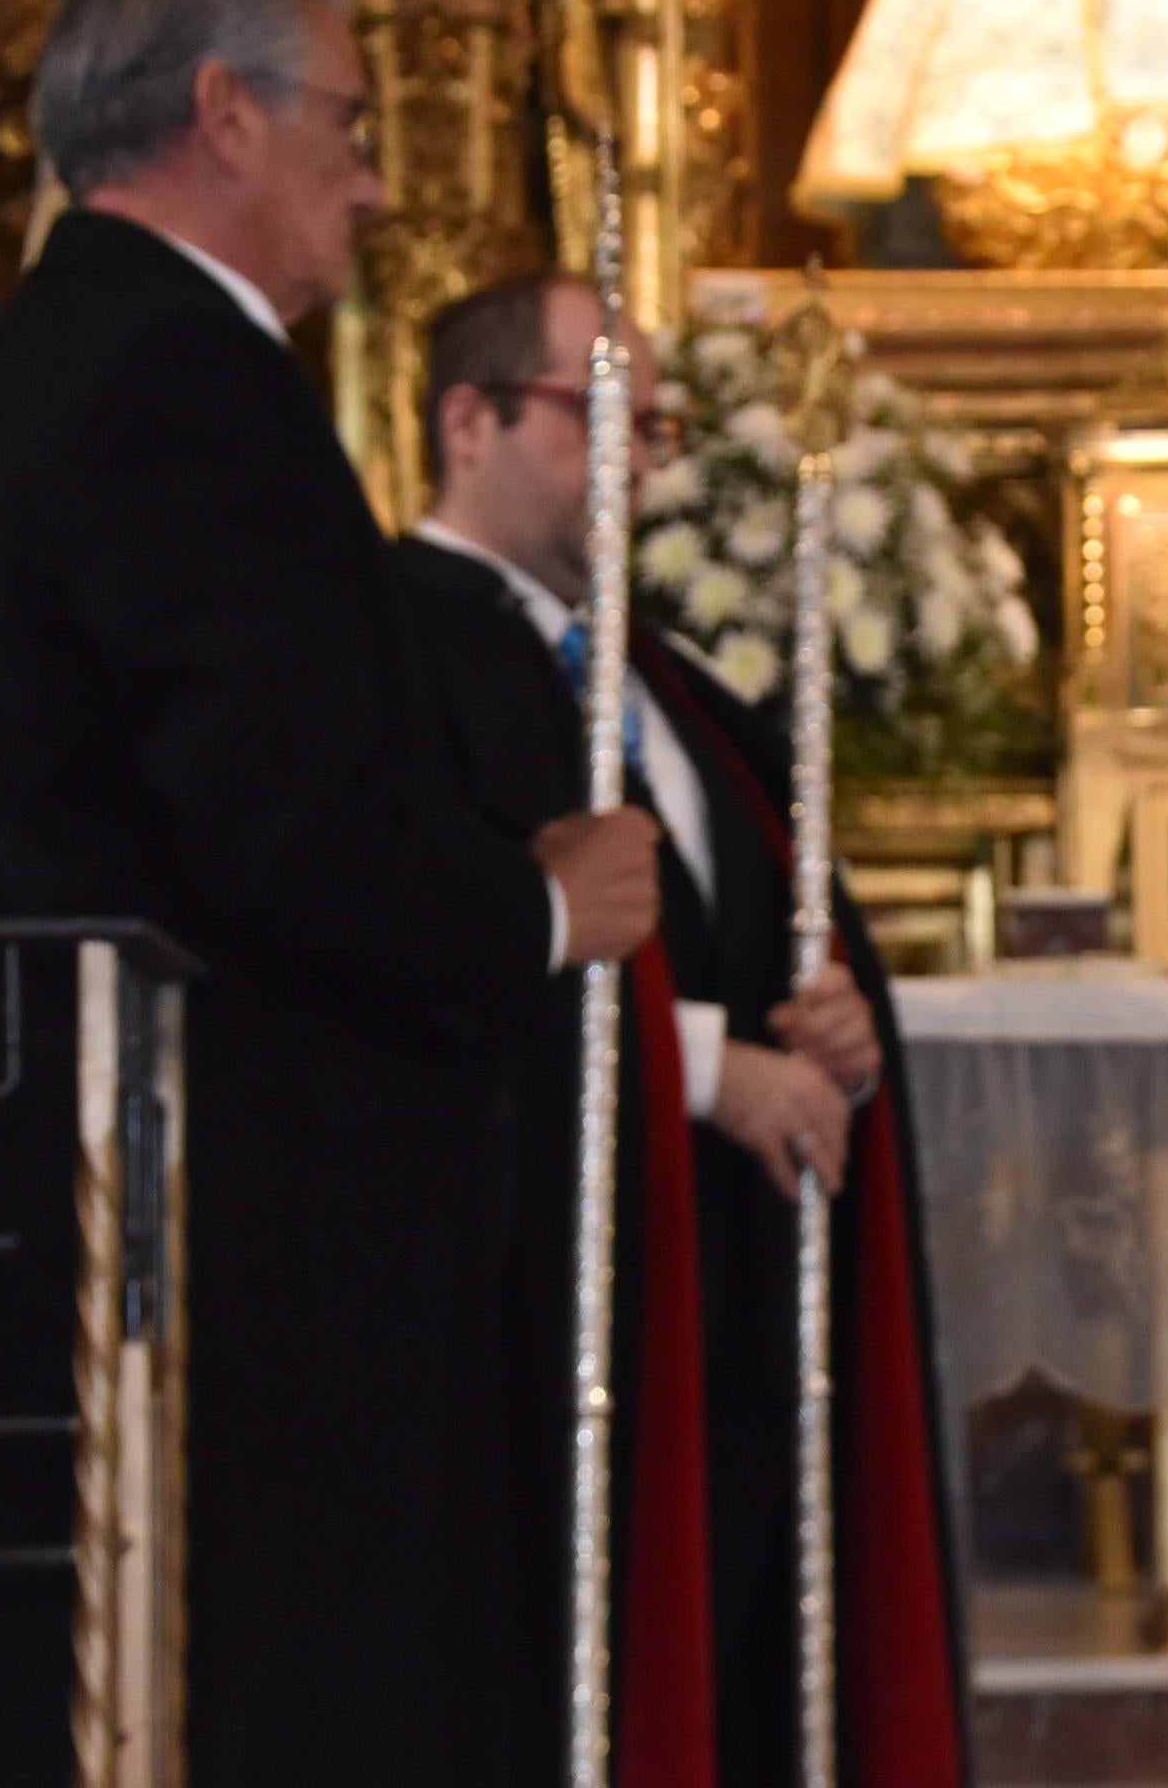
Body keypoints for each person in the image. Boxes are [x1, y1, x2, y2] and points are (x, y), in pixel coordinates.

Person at [0, 0, 660, 1787]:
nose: (376, 183)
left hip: (151, 1163)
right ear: (223, 111)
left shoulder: (81, 351)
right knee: (290, 1696)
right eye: (350, 122)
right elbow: (278, 822)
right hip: (239, 1211)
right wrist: (538, 904)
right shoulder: (175, 377)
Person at [388, 271, 971, 1787]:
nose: (640, 462)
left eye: (654, 427)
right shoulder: (393, 652)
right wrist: (712, 1072)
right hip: (535, 1305)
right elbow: (426, 945)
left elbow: (765, 911)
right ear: (468, 421)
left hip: (727, 1285)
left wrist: (837, 1019)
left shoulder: (660, 678)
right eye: (603, 418)